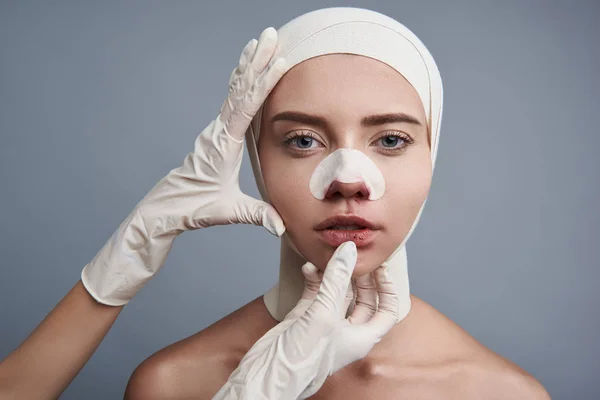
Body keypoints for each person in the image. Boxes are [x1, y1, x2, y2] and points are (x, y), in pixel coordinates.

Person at [0, 7, 550, 400]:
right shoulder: (173, 384)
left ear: (434, 154)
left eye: (391, 140)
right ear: (256, 162)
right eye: (303, 140)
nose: (349, 182)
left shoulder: (503, 393)